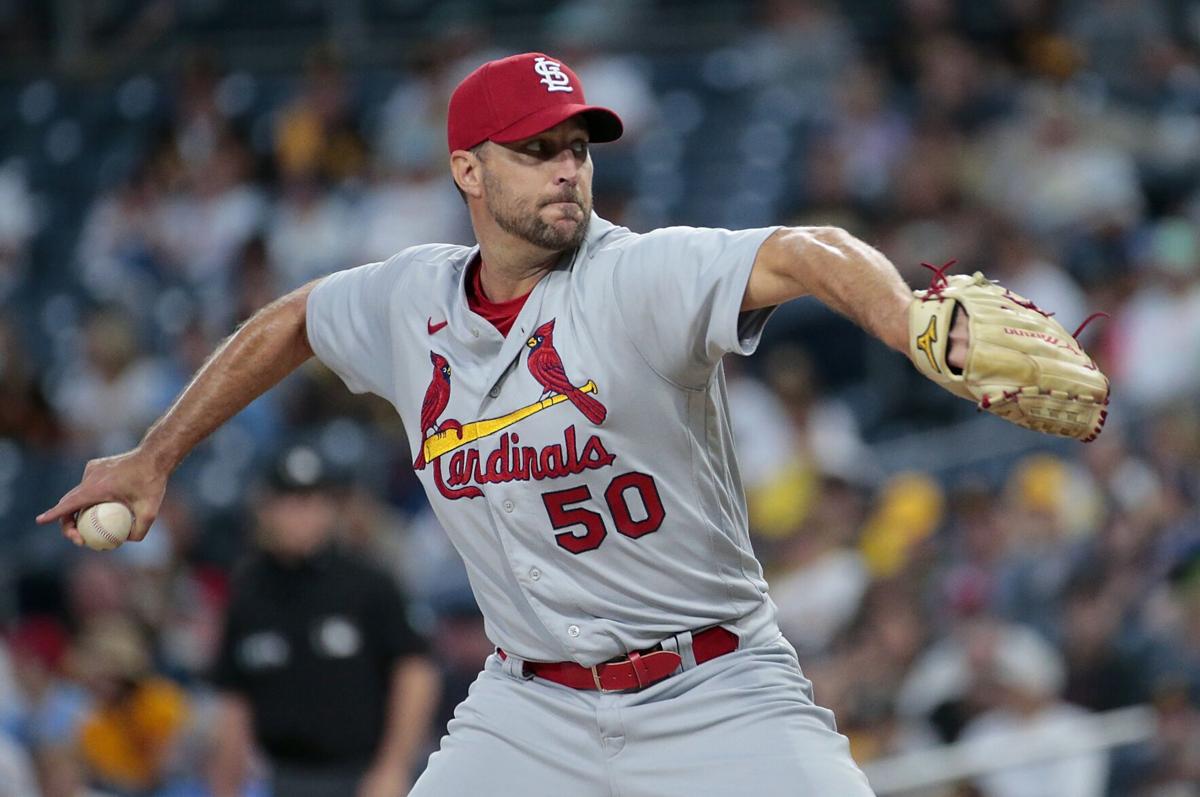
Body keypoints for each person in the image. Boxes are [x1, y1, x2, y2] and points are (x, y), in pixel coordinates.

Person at [39, 52, 1096, 795]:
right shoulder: (411, 299)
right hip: (527, 705)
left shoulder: (635, 275)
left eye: (577, 147)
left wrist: (911, 322)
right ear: (467, 168)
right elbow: (291, 321)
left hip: (715, 687)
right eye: (536, 148)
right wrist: (153, 453)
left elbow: (806, 247)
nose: (567, 169)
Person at [207, 445, 439, 797]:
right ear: (265, 509)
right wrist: (225, 787)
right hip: (281, 777)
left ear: (331, 509)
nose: (300, 515)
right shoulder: (248, 593)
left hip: (361, 776)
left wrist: (393, 768)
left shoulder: (367, 583)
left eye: (312, 502)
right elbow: (234, 701)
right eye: (289, 502)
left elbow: (416, 674)